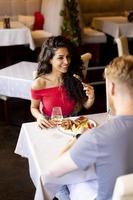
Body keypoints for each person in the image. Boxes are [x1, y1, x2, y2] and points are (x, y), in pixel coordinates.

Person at [46, 55, 133, 200]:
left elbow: (53, 171)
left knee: (60, 184)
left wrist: (78, 138)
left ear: (111, 88)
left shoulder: (97, 137)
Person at [30, 35, 95, 129]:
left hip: (73, 123)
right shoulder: (40, 83)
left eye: (68, 57)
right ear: (50, 60)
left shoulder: (74, 77)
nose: (66, 62)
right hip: (51, 124)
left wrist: (91, 98)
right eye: (60, 58)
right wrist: (40, 117)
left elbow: (86, 105)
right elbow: (33, 108)